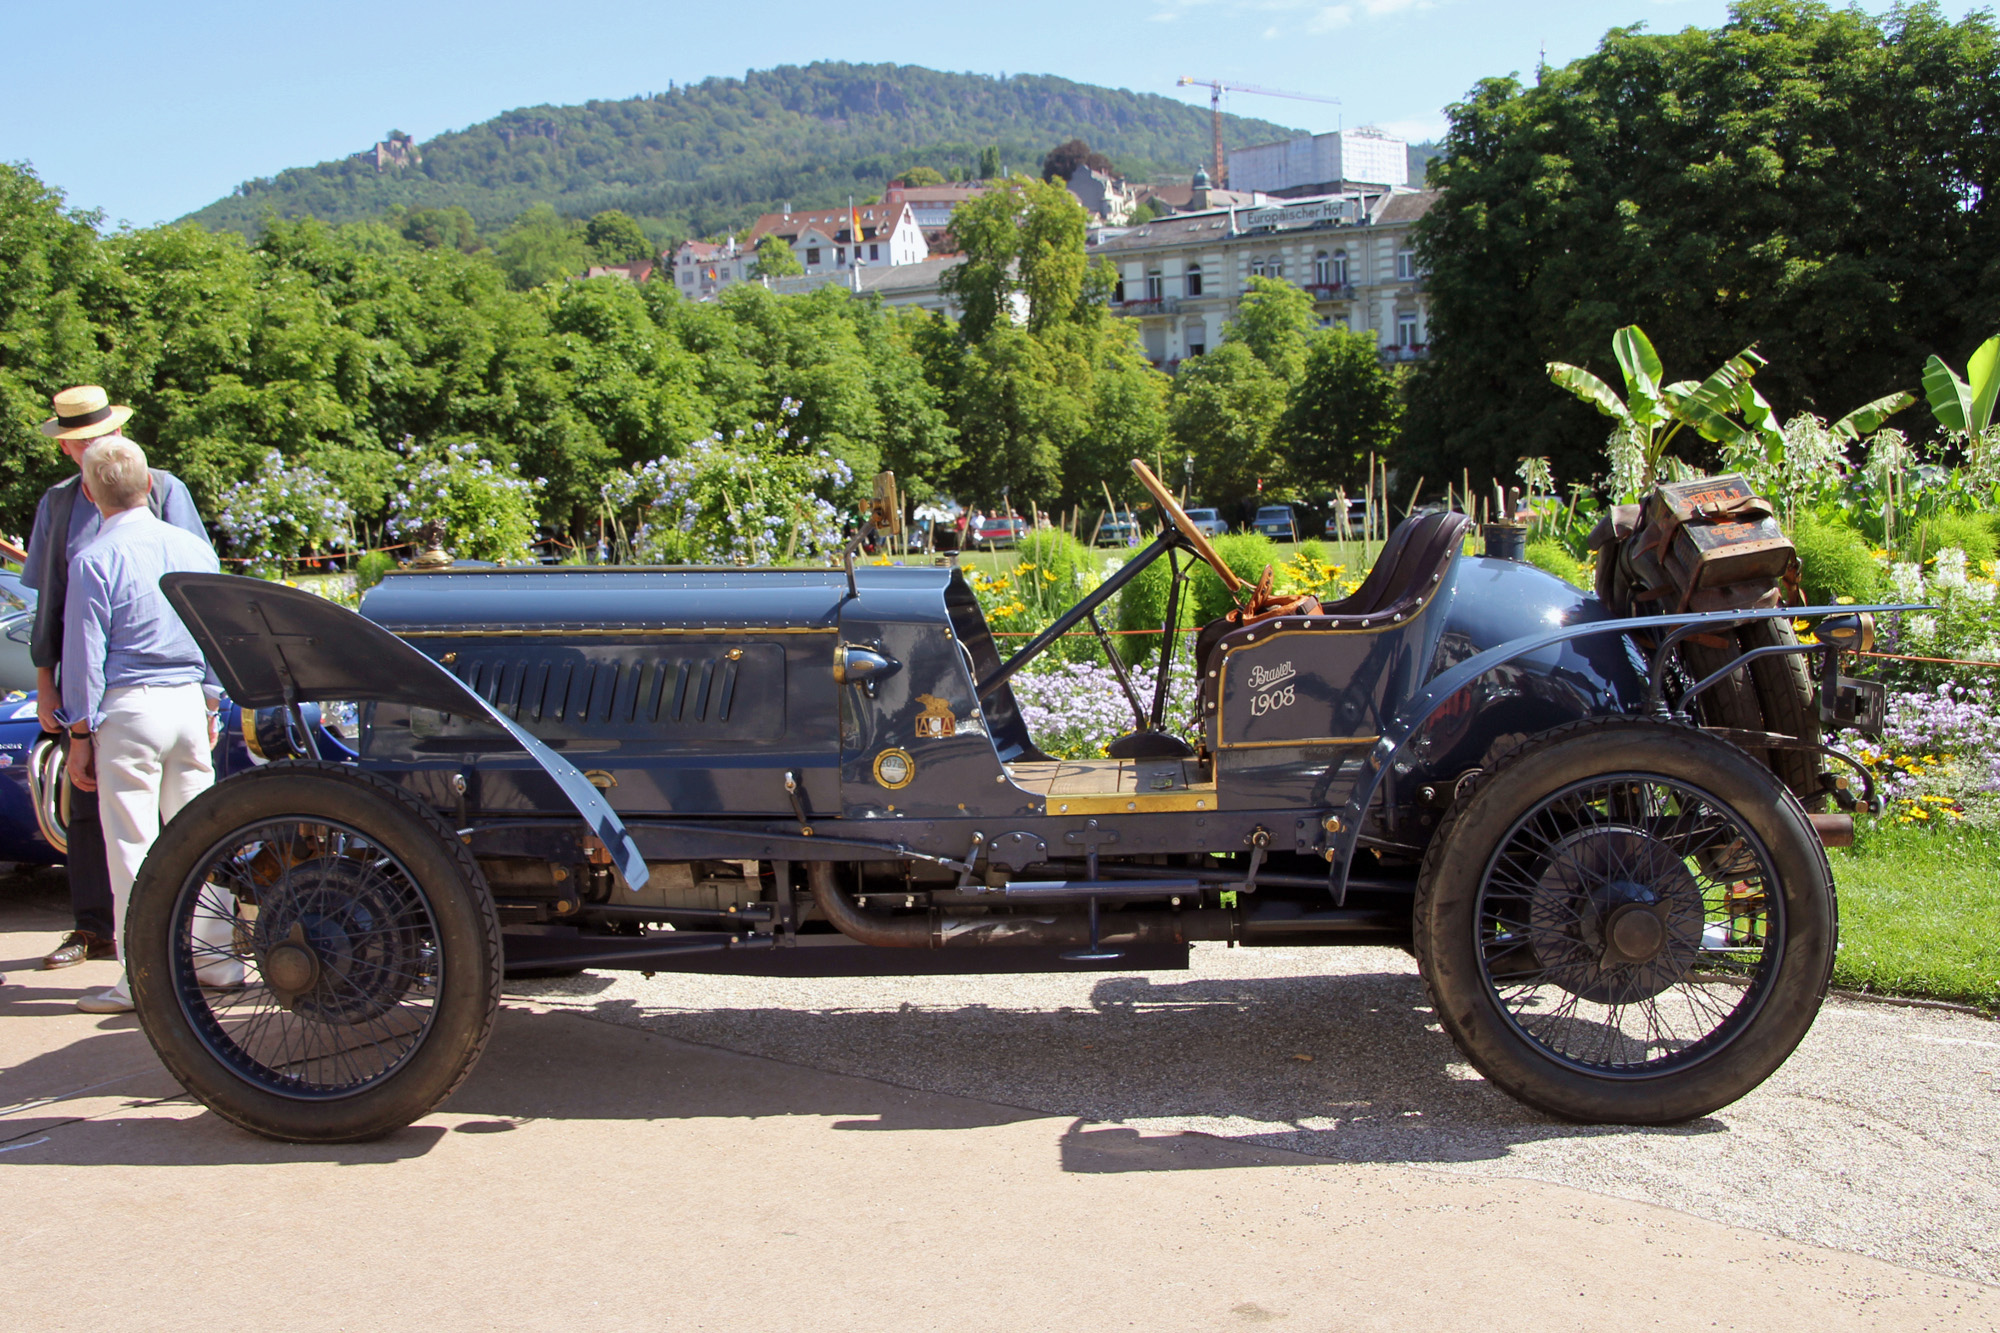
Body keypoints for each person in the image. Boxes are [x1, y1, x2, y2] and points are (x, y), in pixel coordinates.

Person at [24, 386, 212, 973]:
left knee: (144, 831)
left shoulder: (163, 490)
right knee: (101, 810)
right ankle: (97, 928)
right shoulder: (59, 503)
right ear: (66, 447)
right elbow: (53, 605)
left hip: (128, 688)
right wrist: (47, 683)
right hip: (138, 685)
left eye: (95, 436)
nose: (86, 446)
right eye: (76, 439)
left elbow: (197, 596)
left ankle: (152, 968)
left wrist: (81, 724)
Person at [60, 434, 239, 1014]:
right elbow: (215, 635)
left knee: (132, 847)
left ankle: (142, 975)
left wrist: (79, 733)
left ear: (90, 493)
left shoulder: (94, 559)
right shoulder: (194, 549)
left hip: (129, 707)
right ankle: (216, 959)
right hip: (188, 700)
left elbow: (85, 657)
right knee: (201, 837)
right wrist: (210, 701)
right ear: (150, 485)